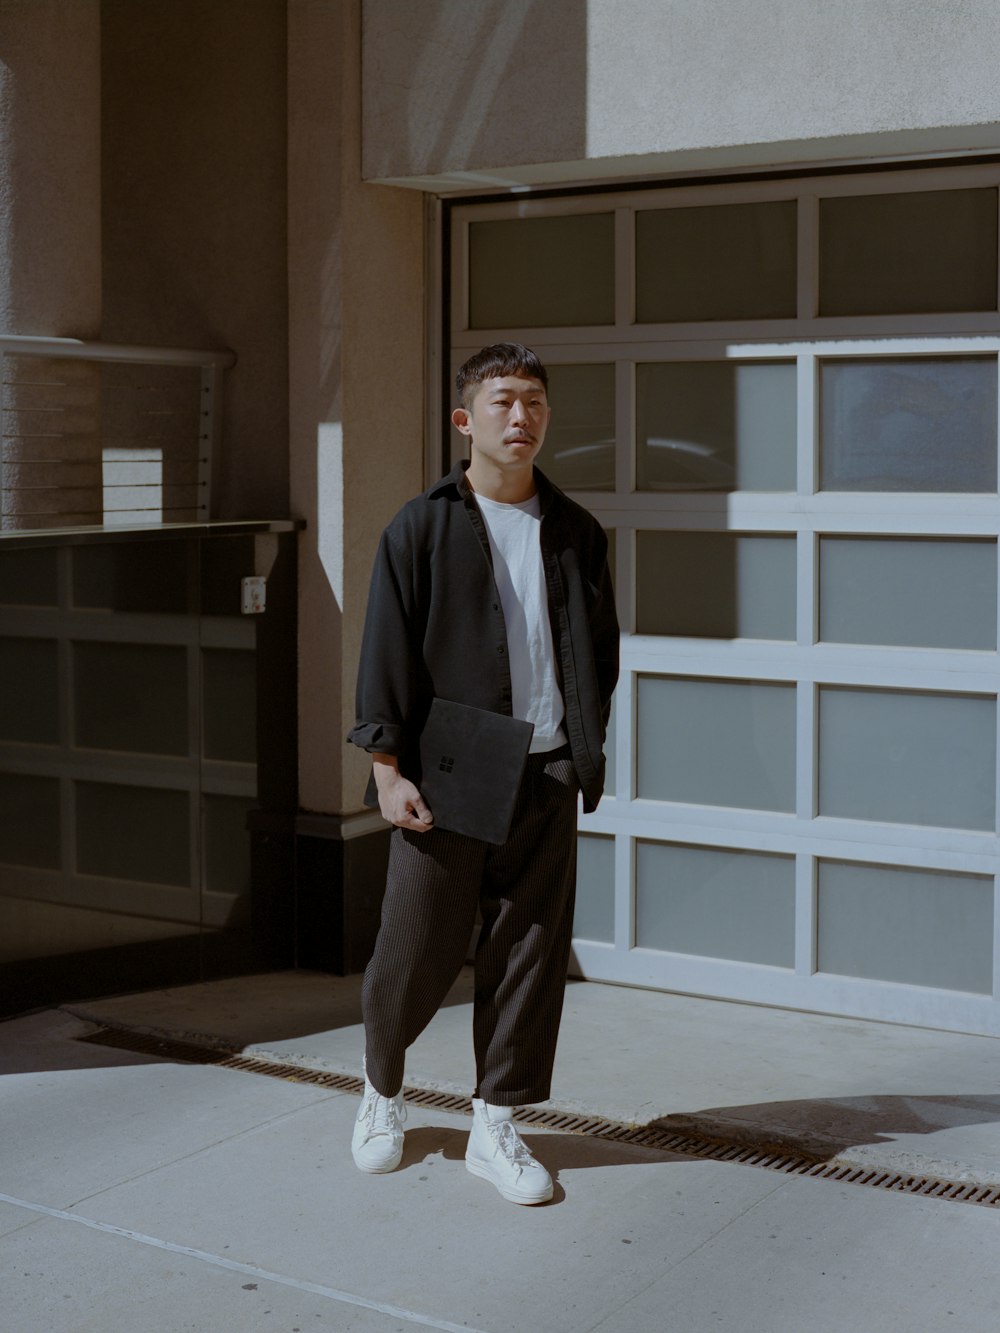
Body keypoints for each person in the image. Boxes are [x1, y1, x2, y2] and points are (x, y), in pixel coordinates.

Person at [346, 343, 619, 1205]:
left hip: (545, 773)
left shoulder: (575, 531)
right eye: (503, 400)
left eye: (534, 400)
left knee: (530, 953)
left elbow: (598, 654)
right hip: (452, 766)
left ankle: (496, 1123)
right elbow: (386, 651)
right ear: (466, 420)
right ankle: (381, 1092)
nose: (521, 416)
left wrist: (580, 750)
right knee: (415, 949)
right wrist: (387, 770)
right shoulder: (421, 526)